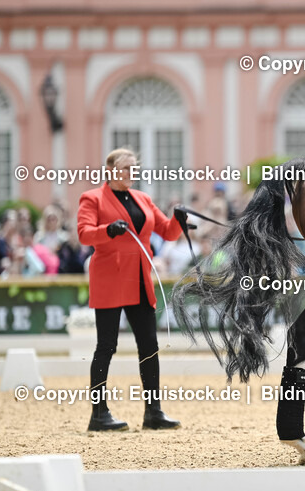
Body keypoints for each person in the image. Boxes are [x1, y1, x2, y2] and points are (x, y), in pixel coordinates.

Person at [77, 148, 189, 432]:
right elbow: (84, 233)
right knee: (106, 346)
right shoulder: (93, 198)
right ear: (110, 170)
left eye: (134, 168)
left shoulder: (143, 198)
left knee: (149, 345)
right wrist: (108, 230)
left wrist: (178, 218)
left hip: (139, 278)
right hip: (110, 278)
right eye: (125, 167)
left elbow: (167, 232)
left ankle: (154, 412)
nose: (131, 172)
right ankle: (98, 414)